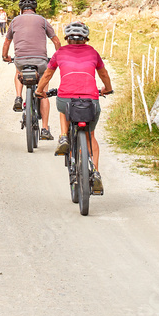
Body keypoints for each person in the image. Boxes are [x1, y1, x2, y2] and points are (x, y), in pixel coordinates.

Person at [35, 21, 113, 194]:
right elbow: (104, 73)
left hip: (67, 99)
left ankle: (64, 136)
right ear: (85, 39)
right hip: (90, 101)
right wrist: (107, 89)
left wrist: (39, 91)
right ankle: (96, 173)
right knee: (91, 135)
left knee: (63, 106)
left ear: (67, 39)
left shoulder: (60, 52)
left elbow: (47, 74)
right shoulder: (93, 52)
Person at [2, 0, 61, 140]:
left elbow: (7, 42)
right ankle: (45, 129)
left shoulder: (14, 21)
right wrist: (59, 57)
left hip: (21, 60)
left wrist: (5, 56)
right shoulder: (42, 20)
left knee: (18, 72)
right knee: (44, 90)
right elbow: (56, 40)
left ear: (21, 10)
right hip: (40, 61)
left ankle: (18, 96)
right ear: (35, 9)